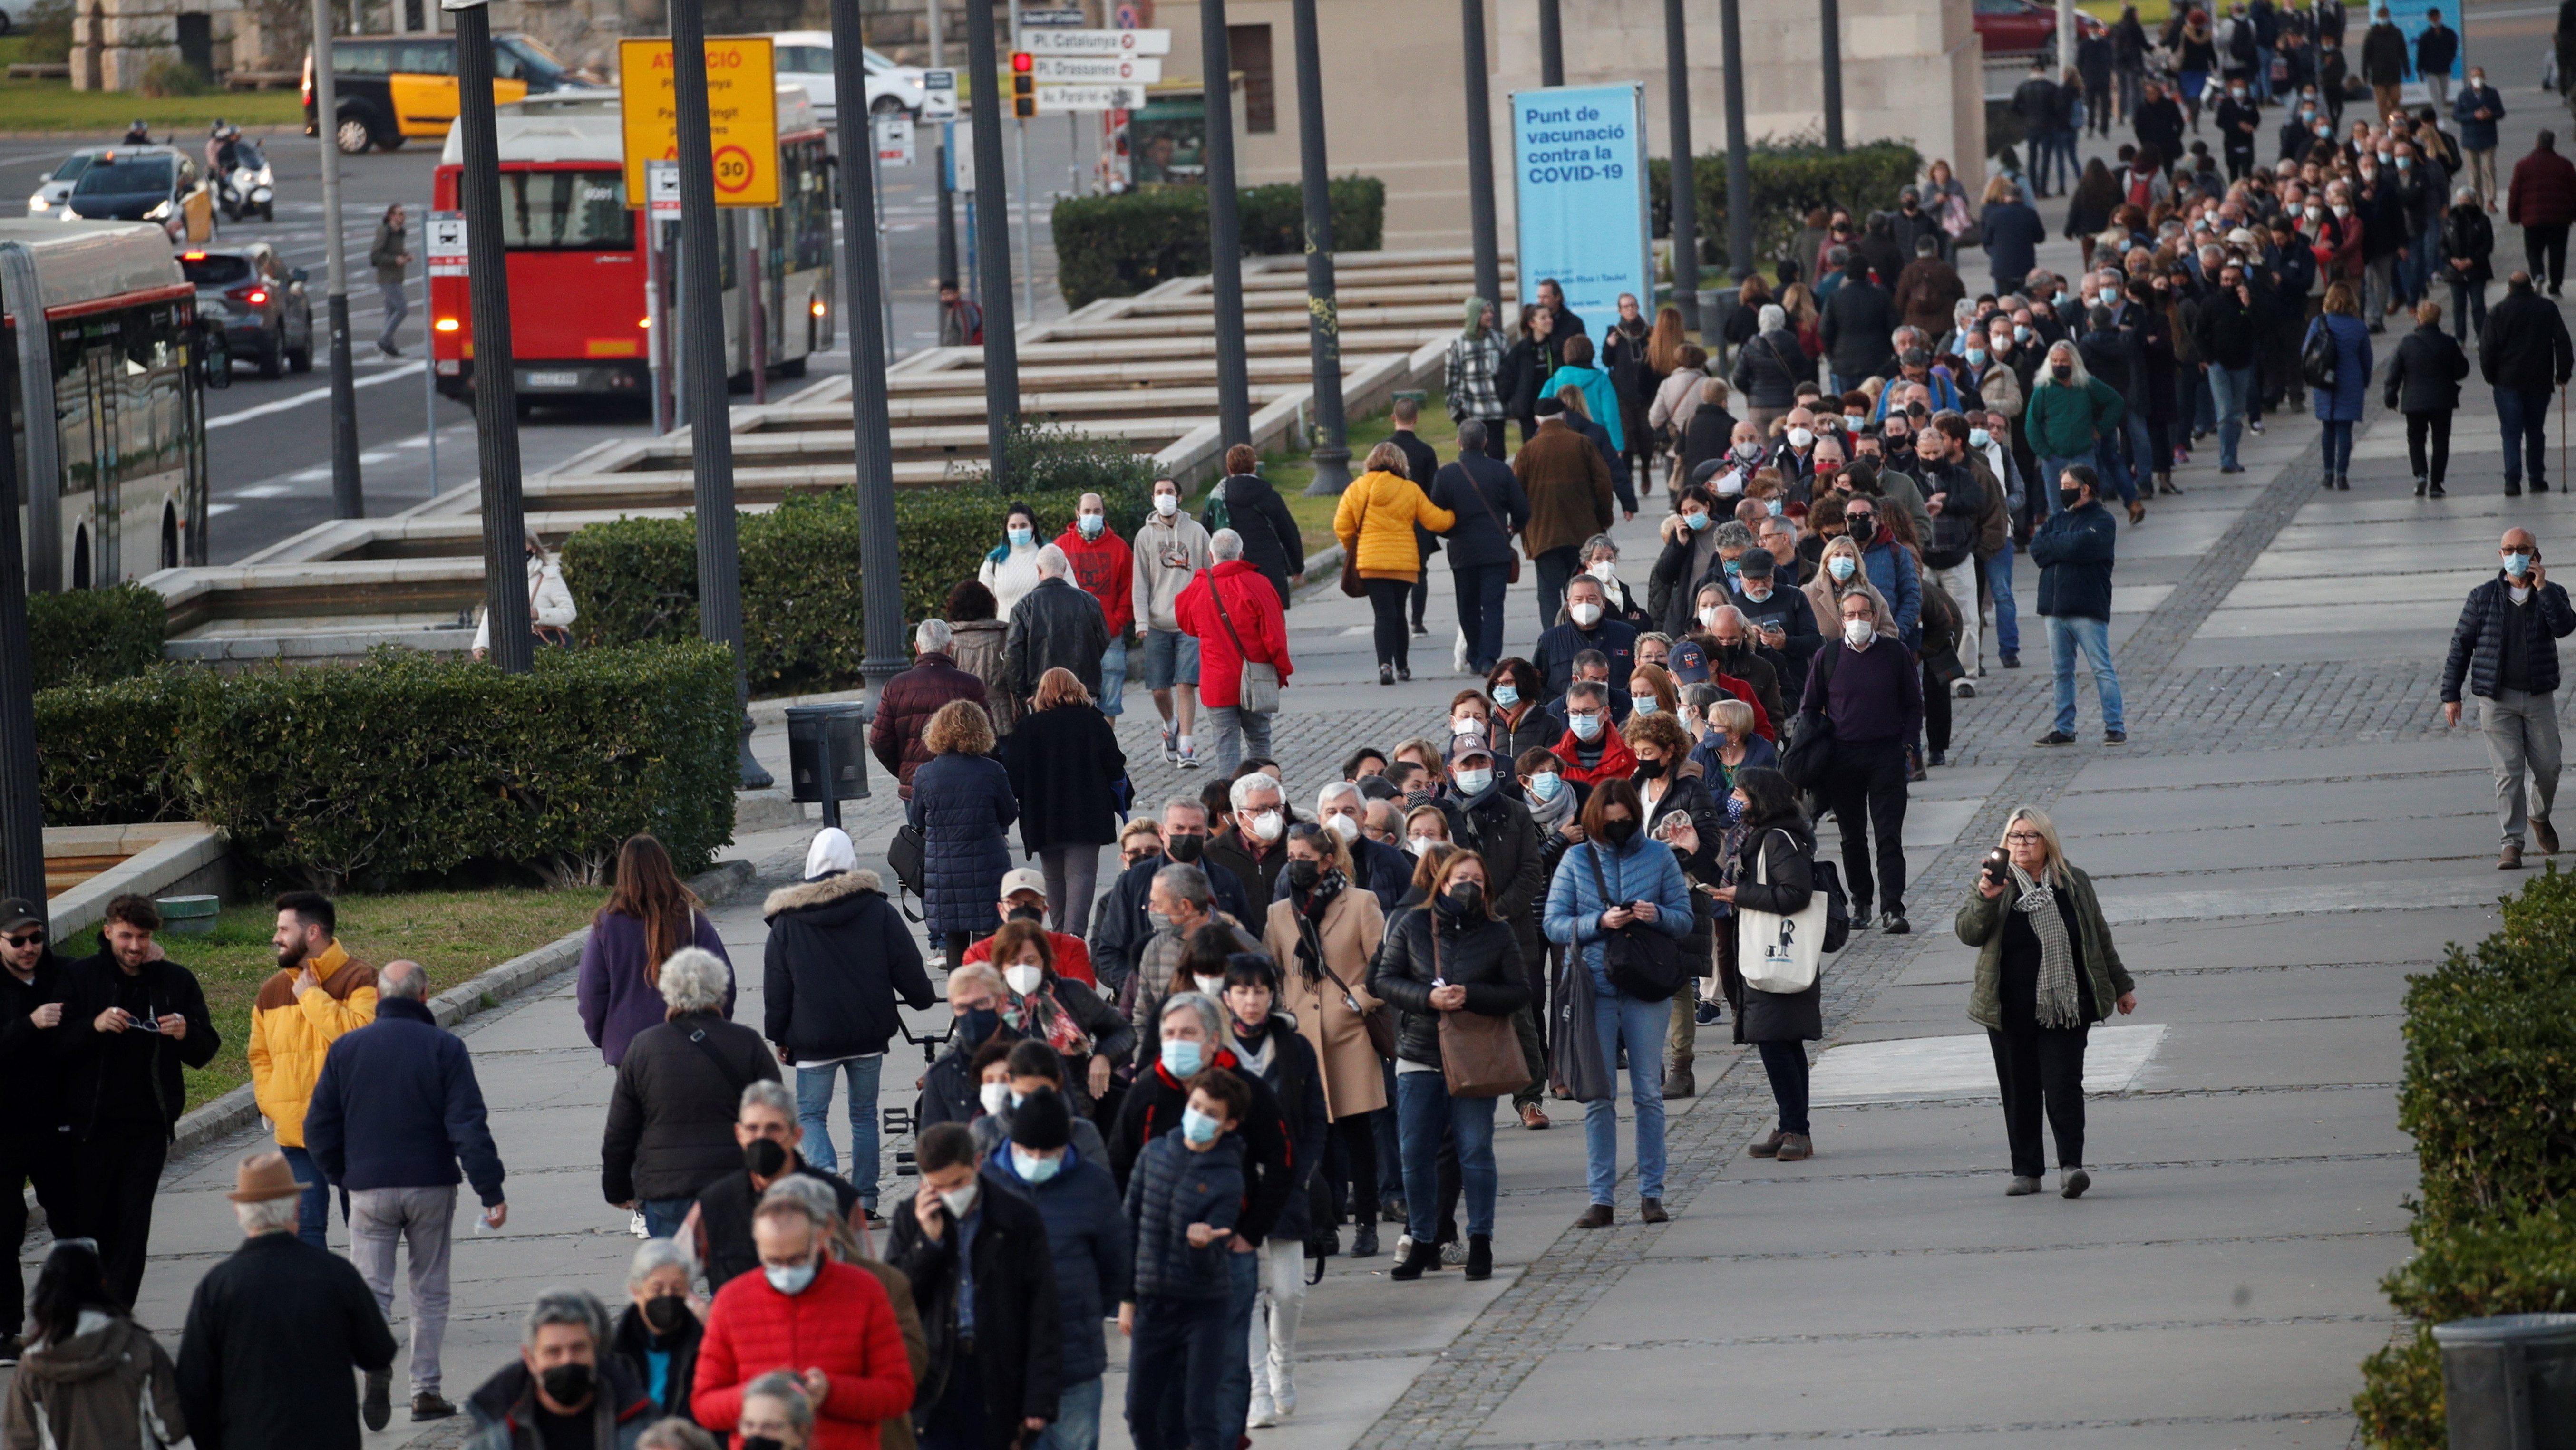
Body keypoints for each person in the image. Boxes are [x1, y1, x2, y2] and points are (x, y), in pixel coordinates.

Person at [303, 958, 506, 1425]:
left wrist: (343, 1173)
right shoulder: (445, 1047)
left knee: (372, 1287)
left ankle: (376, 1365)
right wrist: (490, 1189)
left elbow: (318, 1126)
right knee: (429, 1289)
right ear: (423, 995)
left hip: (367, 1185)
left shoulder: (347, 1048)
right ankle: (425, 1389)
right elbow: (468, 1125)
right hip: (430, 1183)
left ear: (378, 997)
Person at [1957, 808, 2140, 1198]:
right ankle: (2026, 1171)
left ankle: (2071, 1167)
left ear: (2047, 841)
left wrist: (2121, 985)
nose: (2021, 845)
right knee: (2019, 1089)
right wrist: (1987, 899)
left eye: (2030, 837)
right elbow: (1969, 933)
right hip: (2007, 1007)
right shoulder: (1992, 882)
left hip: (2066, 1005)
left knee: (2063, 1086)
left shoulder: (2072, 883)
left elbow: (2097, 936)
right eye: (2014, 837)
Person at [1369, 847, 1528, 1279]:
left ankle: (1481, 1240)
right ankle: (1423, 1239)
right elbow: (1384, 979)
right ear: (1441, 883)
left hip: (1474, 1058)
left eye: (1477, 880)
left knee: (1475, 1151)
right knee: (1415, 1153)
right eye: (1461, 878)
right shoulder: (1413, 924)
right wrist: (1427, 998)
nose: (1469, 887)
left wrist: (1470, 995)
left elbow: (1518, 991)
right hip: (1420, 1053)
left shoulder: (1498, 932)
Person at [176, 1151, 399, 1450]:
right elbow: (378, 1352)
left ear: (240, 1214)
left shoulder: (218, 1286)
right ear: (296, 1208)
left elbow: (193, 1386)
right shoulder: (336, 1275)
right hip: (329, 1438)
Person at [57, 894, 216, 1309]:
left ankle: (116, 1317)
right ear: (108, 931)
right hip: (89, 1129)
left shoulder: (174, 982)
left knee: (132, 1226)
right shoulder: (82, 978)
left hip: (146, 1129)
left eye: (143, 937)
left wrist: (185, 1033)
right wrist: (93, 1026)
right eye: (126, 935)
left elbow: (204, 1049)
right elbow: (56, 1045)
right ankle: (86, 1316)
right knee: (90, 1225)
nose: (134, 946)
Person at [763, 828, 935, 1210]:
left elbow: (777, 986)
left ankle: (828, 1189)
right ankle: (867, 1201)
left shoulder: (788, 922)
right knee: (864, 1117)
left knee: (810, 1115)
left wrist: (778, 1035)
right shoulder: (878, 911)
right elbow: (907, 967)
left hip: (811, 1039)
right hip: (868, 1035)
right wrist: (923, 1000)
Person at [1545, 779, 1691, 1227]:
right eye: (1608, 825)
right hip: (1594, 984)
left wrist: (1656, 915)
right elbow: (1553, 924)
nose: (1617, 830)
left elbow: (1684, 920)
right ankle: (1601, 1198)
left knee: (1648, 1091)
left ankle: (1651, 1193)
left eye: (1624, 823)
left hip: (1645, 984)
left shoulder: (1659, 855)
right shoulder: (1575, 859)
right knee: (1598, 1095)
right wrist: (1598, 921)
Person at [695, 1184, 918, 1450]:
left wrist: (833, 1392)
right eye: (774, 1261)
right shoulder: (731, 1301)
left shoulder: (865, 1292)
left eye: (797, 1259)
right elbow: (704, 1405)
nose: (786, 1271)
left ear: (821, 1238)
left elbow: (898, 1393)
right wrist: (758, 1399)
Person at [888, 1122, 1061, 1450]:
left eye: (958, 1183)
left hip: (996, 1373)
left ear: (977, 1164)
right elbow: (896, 1301)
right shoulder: (910, 1217)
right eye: (937, 1187)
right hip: (935, 1377)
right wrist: (927, 1244)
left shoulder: (1016, 1218)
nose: (950, 1194)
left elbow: (1043, 1310)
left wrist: (1039, 1399)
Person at [1263, 822, 1391, 1256]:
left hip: (1349, 1035)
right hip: (1301, 1040)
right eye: (1291, 857)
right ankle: (1324, 1224)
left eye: (1306, 859)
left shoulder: (1360, 903)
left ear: (1328, 862)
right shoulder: (1279, 913)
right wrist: (1282, 1014)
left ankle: (1367, 1225)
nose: (1296, 865)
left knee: (1358, 1136)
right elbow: (1272, 971)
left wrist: (1357, 1001)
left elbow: (1384, 968)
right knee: (1315, 1138)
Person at [1212, 955, 1325, 1422]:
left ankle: (1284, 1363)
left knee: (1289, 1290)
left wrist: (1299, 1169)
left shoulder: (1295, 1047)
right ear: (1227, 998)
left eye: (1260, 990)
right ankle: (1258, 1388)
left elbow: (1317, 1117)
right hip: (1230, 1186)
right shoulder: (1214, 1050)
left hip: (1284, 1182)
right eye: (1242, 990)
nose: (1252, 999)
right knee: (1244, 1293)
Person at [602, 948, 783, 1239]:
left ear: (668, 992)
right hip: (734, 1182)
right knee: (731, 1278)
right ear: (720, 990)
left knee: (677, 1279)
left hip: (667, 1188)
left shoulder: (644, 1047)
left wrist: (618, 1187)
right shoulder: (746, 1043)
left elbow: (621, 1128)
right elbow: (777, 1116)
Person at [984, 1087, 1125, 1450]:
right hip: (1003, 1361)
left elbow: (1114, 1265)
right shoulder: (986, 1183)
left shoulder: (1092, 1184)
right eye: (1027, 1150)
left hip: (1073, 1356)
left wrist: (1086, 1309)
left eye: (1047, 1152)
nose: (1036, 1159)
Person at [1118, 1070, 1250, 1450]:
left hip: (1202, 1309)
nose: (1198, 1116)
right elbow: (1130, 1225)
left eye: (1211, 1113)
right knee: (1139, 1411)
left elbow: (1211, 1266)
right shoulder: (1154, 1153)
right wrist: (1127, 1299)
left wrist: (1201, 1247)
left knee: (1198, 1414)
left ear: (1228, 1123)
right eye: (1195, 1107)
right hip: (1152, 1304)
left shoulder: (1227, 1177)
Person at [247, 889, 377, 1250]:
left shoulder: (361, 978)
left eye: (284, 930)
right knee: (305, 1232)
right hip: (296, 1135)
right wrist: (272, 1103)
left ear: (313, 933)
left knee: (365, 1230)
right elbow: (260, 1056)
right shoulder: (271, 991)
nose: (276, 938)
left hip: (352, 1130)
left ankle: (363, 1302)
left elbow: (360, 1037)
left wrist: (311, 997)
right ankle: (315, 1306)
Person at [2443, 528, 2576, 868]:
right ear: (2500, 555)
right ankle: (2511, 843)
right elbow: (2461, 645)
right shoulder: (2482, 597)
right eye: (2508, 549)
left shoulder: (2553, 593)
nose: (2514, 555)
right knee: (2508, 771)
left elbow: (2564, 627)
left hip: (2537, 696)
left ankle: (2538, 815)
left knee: (2548, 767)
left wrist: (2542, 588)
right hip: (2496, 699)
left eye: (2521, 549)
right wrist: (2451, 694)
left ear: (2535, 555)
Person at [1707, 767, 1821, 1161]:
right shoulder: (1754, 837)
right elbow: (1732, 885)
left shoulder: (1776, 840)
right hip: (1763, 950)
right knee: (1782, 1042)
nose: (1734, 798)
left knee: (1776, 1042)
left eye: (1741, 792)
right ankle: (1791, 1125)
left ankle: (1796, 1129)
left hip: (1776, 952)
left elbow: (1795, 893)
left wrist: (1743, 895)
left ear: (1760, 798)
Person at [1802, 589, 1922, 933]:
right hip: (1843, 758)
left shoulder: (1894, 653)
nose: (1858, 620)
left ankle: (1892, 907)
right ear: (1841, 621)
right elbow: (1810, 708)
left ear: (1874, 617)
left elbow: (1914, 704)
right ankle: (1862, 902)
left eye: (1863, 614)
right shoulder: (1828, 656)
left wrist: (1906, 745)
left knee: (1888, 835)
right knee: (1851, 836)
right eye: (1851, 615)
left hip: (1886, 754)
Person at [5, 1238, 186, 1446]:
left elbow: (20, 1442)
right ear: (102, 1283)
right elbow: (172, 1427)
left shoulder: (33, 1365)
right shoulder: (137, 1346)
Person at [692, 1079, 867, 1291]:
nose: (762, 1138)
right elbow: (674, 1270)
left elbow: (866, 1275)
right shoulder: (715, 1203)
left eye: (773, 1128)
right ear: (739, 1135)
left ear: (796, 1135)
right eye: (753, 1129)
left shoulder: (839, 1198)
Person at [580, 834, 733, 1068]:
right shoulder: (690, 919)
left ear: (623, 873)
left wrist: (606, 1036)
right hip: (686, 1043)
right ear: (665, 868)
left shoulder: (606, 924)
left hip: (629, 1049)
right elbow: (723, 982)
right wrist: (716, 1026)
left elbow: (591, 994)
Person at [1001, 668, 1129, 937]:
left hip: (1044, 815)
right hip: (1088, 813)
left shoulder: (1028, 728)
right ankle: (1074, 936)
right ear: (1078, 688)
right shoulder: (1094, 723)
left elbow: (1012, 775)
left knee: (1053, 876)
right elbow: (1115, 766)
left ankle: (1060, 934)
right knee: (1081, 874)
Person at [0, 896, 69, 1363]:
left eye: (36, 938)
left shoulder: (60, 973)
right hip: (3, 1130)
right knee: (5, 1230)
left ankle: (74, 1318)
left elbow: (103, 970)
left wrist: (152, 955)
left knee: (72, 1220)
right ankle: (8, 1329)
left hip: (53, 1125)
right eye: (18, 940)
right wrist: (29, 1023)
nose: (29, 947)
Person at [462, 1289, 657, 1450]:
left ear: (595, 1349)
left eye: (578, 1348)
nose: (567, 1360)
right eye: (553, 1352)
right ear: (530, 1359)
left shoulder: (637, 1416)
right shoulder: (495, 1425)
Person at [1336, 439, 1458, 685]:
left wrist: (1355, 547)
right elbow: (1436, 521)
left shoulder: (1356, 488)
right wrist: (1455, 514)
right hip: (1404, 564)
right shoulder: (1409, 489)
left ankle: (1385, 667)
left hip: (1371, 563)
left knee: (1382, 615)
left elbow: (1342, 525)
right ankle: (1403, 667)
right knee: (1400, 613)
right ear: (1400, 463)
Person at [909, 698, 1018, 967]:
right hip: (987, 864)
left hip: (944, 869)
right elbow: (1010, 814)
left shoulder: (926, 774)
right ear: (981, 732)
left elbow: (917, 820)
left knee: (954, 937)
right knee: (986, 939)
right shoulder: (992, 771)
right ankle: (989, 1000)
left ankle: (960, 1003)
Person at [1175, 529, 1293, 774]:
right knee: (1260, 740)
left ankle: (1229, 802)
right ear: (1241, 554)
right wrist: (1281, 672)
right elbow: (1275, 638)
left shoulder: (1198, 588)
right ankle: (1263, 795)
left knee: (1226, 745)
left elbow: (1187, 625)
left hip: (1217, 681)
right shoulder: (1259, 584)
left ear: (1211, 555)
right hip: (1256, 677)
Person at [986, 920, 1132, 1116]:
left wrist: (1104, 1056)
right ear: (1001, 966)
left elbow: (1122, 1031)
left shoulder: (1073, 993)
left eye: (1030, 961)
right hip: (1010, 1111)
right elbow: (965, 1045)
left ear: (1044, 961)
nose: (1022, 969)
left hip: (1074, 1106)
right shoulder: (990, 1002)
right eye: (1013, 962)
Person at [2029, 464, 2127, 749]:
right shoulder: (2058, 518)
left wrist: (2057, 547)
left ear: (2085, 489)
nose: (2062, 491)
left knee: (2101, 668)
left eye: (2068, 486)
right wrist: (2065, 546)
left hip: (2086, 606)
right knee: (2061, 672)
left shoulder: (2104, 520)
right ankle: (2064, 728)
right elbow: (2037, 549)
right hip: (2054, 608)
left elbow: (2080, 546)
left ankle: (2115, 726)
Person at [1427, 420, 1527, 677]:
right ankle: (1489, 658)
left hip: (1462, 550)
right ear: (1485, 442)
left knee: (1467, 604)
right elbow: (1523, 510)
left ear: (1459, 442)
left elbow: (1435, 516)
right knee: (1493, 605)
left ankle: (1474, 654)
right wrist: (1513, 529)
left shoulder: (1446, 475)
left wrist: (1449, 533)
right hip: (1495, 548)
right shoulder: (1500, 471)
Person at [1516, 396, 1617, 628]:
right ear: (1564, 416)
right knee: (1583, 587)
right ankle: (1584, 631)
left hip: (1543, 536)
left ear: (1537, 421)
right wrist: (1604, 520)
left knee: (1548, 593)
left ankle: (1554, 638)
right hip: (1583, 533)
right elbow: (1603, 484)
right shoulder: (1583, 443)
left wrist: (1524, 528)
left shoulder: (1527, 452)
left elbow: (1516, 495)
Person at [1136, 477, 1214, 768]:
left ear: (1179, 498)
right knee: (1159, 688)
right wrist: (1141, 620)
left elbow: (1210, 575)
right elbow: (1140, 582)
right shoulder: (1145, 536)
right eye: (1159, 492)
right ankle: (1171, 725)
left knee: (1186, 684)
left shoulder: (1196, 532)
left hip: (1190, 623)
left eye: (1169, 492)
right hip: (1157, 623)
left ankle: (1187, 746)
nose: (1164, 497)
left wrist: (1208, 616)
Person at [873, 621, 992, 802]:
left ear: (917, 648)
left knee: (919, 830)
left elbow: (879, 740)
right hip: (963, 783)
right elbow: (989, 736)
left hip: (916, 786)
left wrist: (904, 769)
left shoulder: (895, 686)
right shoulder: (970, 684)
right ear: (950, 647)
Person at [2480, 270, 2576, 497]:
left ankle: (2512, 481)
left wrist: (2491, 376)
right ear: (2531, 287)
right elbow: (2563, 342)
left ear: (2509, 288)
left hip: (2507, 381)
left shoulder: (2498, 312)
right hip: (2539, 380)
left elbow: (2487, 349)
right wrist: (2563, 373)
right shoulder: (2546, 308)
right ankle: (2536, 478)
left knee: (2511, 433)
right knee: (2535, 430)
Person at [1055, 493, 1134, 720]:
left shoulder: (1119, 548)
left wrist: (1118, 620)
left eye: (1097, 511)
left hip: (1110, 636)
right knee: (1074, 701)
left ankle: (1106, 754)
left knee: (1109, 704)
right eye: (1087, 511)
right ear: (1077, 513)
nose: (1092, 516)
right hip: (1072, 637)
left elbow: (1128, 588)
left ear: (1104, 514)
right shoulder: (1061, 546)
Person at [611, 1240, 707, 1426]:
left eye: (677, 1289)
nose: (667, 1296)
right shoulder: (615, 1350)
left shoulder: (704, 1345)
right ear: (636, 1291)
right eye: (657, 1289)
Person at [2384, 298, 2471, 498]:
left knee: (2416, 438)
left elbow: (2394, 374)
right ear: (2438, 319)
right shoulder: (2449, 343)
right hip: (2442, 400)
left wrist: (2391, 397)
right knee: (2441, 441)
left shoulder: (2407, 343)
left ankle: (2421, 474)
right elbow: (2462, 370)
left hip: (2414, 401)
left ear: (2419, 318)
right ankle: (2437, 483)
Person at [1202, 445, 1306, 608]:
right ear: (1254, 466)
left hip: (1232, 572)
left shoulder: (1216, 499)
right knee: (1271, 623)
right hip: (1269, 571)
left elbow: (1205, 533)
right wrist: (1297, 567)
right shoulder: (1269, 496)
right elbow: (1289, 532)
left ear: (1229, 468)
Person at [1006, 545, 1112, 705]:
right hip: (1083, 686)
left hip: (1042, 690)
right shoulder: (1089, 602)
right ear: (1064, 568)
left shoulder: (1024, 607)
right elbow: (1103, 639)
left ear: (1038, 569)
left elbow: (1014, 653)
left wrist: (1022, 692)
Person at [470, 535, 577, 658]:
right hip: (512, 650)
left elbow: (570, 612)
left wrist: (538, 614)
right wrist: (481, 646)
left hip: (545, 650)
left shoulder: (549, 576)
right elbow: (492, 614)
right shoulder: (503, 578)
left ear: (534, 548)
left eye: (523, 544)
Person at [1207, 770, 1294, 912]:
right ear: (1241, 816)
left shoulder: (1299, 848)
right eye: (1262, 809)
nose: (1273, 815)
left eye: (1277, 807)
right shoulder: (1214, 853)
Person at [946, 580, 1020, 737]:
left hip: (960, 721)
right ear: (989, 604)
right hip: (1001, 719)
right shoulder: (1005, 634)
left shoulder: (948, 638)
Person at [1819, 253, 1898, 391]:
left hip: (1844, 360)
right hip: (1876, 358)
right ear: (1867, 272)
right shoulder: (1881, 295)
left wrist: (1832, 352)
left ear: (1847, 274)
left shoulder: (1836, 297)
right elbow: (1893, 326)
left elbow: (1825, 330)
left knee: (1847, 404)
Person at [2511, 131, 2576, 295]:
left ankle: (2538, 274)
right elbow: (2574, 192)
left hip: (2532, 218)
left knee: (2533, 250)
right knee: (2558, 253)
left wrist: (2514, 216)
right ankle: (2555, 287)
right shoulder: (2565, 165)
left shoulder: (2523, 165)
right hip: (2559, 219)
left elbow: (2515, 193)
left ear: (2536, 143)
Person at [1446, 297, 1509, 454]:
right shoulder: (1457, 345)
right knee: (1472, 462)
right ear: (1474, 316)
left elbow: (1510, 374)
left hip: (1496, 414)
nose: (1490, 315)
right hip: (1470, 414)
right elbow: (1451, 383)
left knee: (1497, 461)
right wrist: (1457, 414)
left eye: (1491, 311)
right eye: (1484, 312)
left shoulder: (1500, 341)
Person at [2443, 187, 2496, 346]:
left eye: (2467, 200)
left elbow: (2488, 245)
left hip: (2477, 270)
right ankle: (2460, 336)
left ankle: (2481, 335)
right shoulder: (2450, 221)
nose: (2464, 204)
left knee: (2478, 305)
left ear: (2474, 202)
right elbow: (2442, 246)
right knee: (2458, 306)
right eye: (2461, 200)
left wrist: (2471, 260)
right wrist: (2452, 260)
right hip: (2455, 271)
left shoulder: (2483, 220)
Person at [979, 503, 1046, 618]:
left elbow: (1068, 594)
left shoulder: (1049, 555)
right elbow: (982, 605)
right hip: (1005, 632)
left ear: (1033, 527)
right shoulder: (993, 561)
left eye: (1024, 525)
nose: (1018, 530)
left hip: (1042, 633)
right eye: (1013, 526)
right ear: (1007, 529)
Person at [2456, 67, 2506, 210]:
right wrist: (2473, 115)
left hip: (2488, 138)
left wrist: (2491, 114)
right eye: (2475, 76)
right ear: (2470, 79)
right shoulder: (2464, 95)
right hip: (2470, 139)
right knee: (2474, 174)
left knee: (2489, 169)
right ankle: (2477, 202)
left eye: (2481, 76)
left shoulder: (2492, 94)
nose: (2478, 80)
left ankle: (2491, 199)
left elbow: (2501, 112)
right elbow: (2457, 115)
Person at [371, 202, 411, 356]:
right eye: (399, 214)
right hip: (387, 278)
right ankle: (384, 340)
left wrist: (405, 256)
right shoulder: (385, 232)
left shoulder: (400, 232)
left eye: (403, 214)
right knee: (402, 309)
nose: (402, 217)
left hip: (397, 276)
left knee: (390, 311)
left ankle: (389, 345)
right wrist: (395, 260)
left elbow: (396, 252)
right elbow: (375, 256)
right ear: (391, 216)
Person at [939, 280, 983, 347]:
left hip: (959, 349)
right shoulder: (955, 309)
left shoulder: (960, 308)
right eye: (943, 295)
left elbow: (966, 329)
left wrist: (964, 348)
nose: (945, 298)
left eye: (948, 294)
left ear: (957, 293)